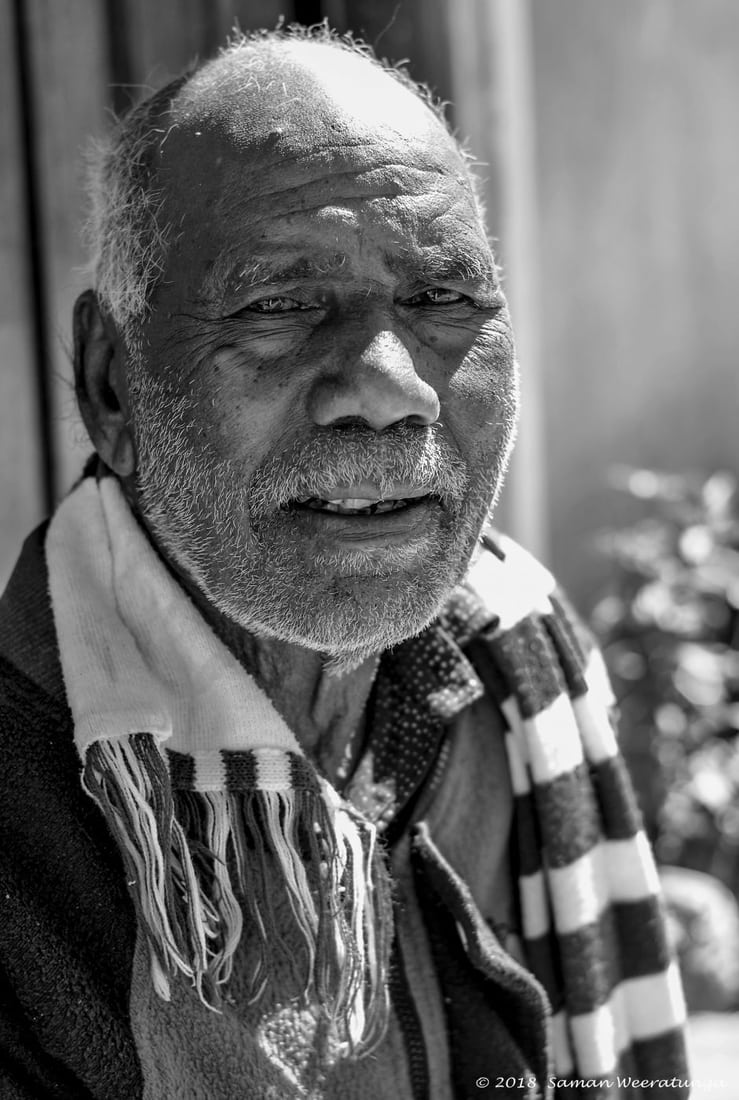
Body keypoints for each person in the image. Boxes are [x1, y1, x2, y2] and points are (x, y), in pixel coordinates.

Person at [0, 25, 688, 1100]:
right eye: (278, 305)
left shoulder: (510, 654)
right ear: (113, 385)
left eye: (441, 298)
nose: (388, 385)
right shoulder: (27, 812)